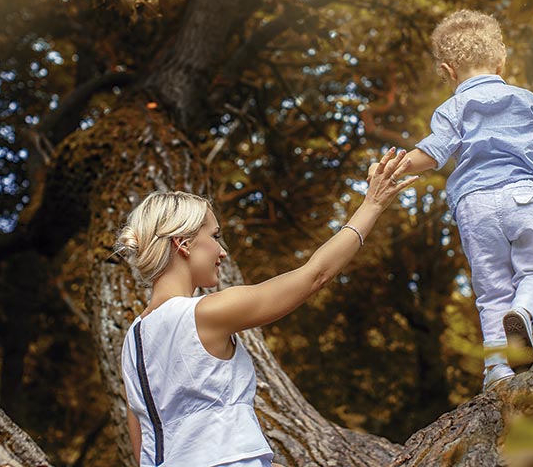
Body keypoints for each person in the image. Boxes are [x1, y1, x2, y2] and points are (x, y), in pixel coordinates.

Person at [114, 148, 417, 467]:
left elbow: (141, 438)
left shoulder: (132, 342)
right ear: (184, 243)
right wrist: (373, 204)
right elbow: (315, 276)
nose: (222, 252)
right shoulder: (206, 313)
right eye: (215, 236)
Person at [369, 9, 533, 392]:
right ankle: (523, 312)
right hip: (524, 194)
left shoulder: (452, 109)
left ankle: (497, 371)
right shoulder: (526, 99)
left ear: (448, 69)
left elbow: (432, 152)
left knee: (491, 290)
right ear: (500, 58)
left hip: (475, 204)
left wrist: (393, 166)